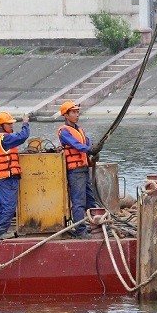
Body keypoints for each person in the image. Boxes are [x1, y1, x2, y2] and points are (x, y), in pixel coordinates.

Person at [58, 100, 96, 239]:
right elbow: (77, 145)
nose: (77, 115)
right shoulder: (64, 132)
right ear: (66, 115)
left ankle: (95, 226)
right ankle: (80, 231)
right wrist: (90, 149)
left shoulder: (79, 129)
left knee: (91, 200)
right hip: (75, 171)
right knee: (79, 201)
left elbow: (86, 141)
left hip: (84, 168)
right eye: (73, 112)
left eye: (77, 112)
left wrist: (93, 148)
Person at [0, 111, 30, 242]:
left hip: (4, 177)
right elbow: (23, 136)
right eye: (9, 124)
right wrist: (25, 123)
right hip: (7, 177)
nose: (12, 126)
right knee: (8, 206)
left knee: (3, 206)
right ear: (2, 125)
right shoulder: (5, 138)